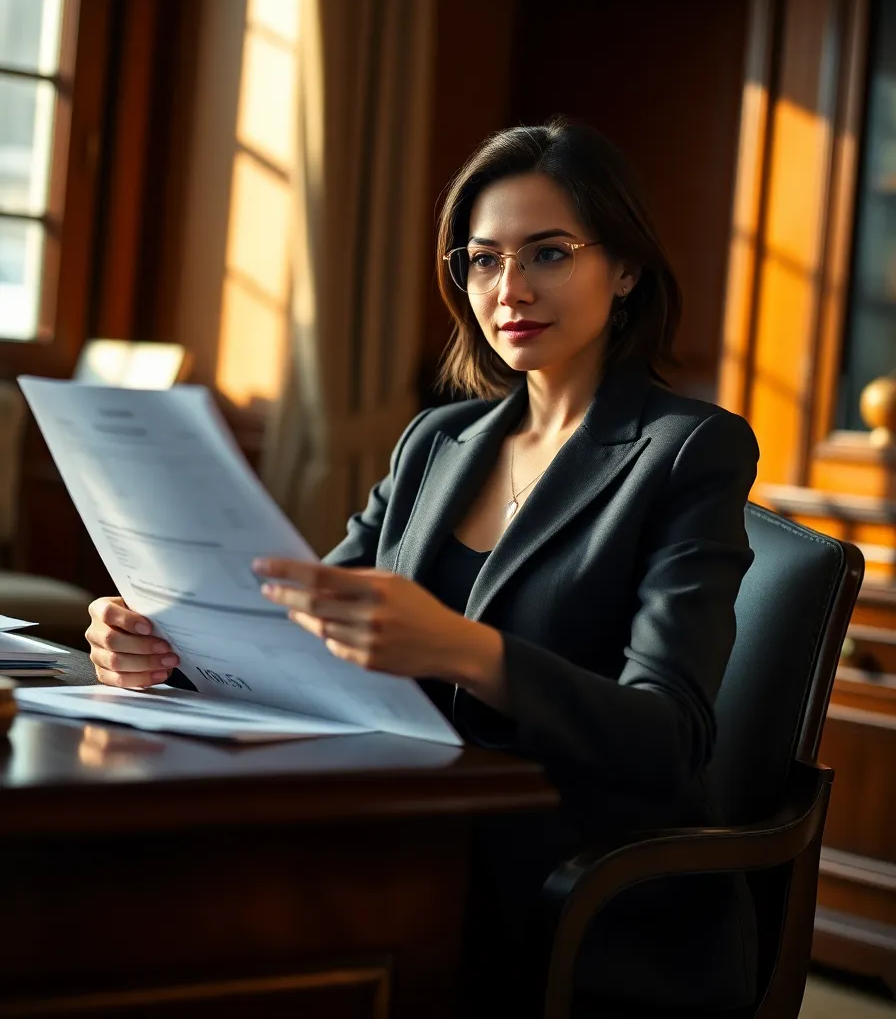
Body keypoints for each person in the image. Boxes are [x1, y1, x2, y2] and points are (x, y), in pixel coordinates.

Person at [86, 119, 760, 1016]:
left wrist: (465, 651)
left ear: (626, 269)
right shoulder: (438, 441)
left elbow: (668, 736)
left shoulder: (687, 451)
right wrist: (159, 640)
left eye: (548, 253)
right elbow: (297, 627)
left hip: (570, 871)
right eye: (482, 260)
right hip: (408, 833)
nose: (509, 288)